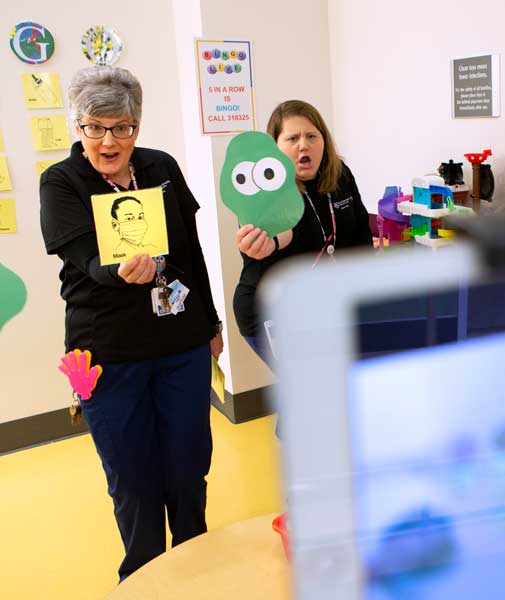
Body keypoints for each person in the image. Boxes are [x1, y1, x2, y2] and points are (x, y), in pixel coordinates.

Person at [39, 66, 223, 581]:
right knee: (133, 481)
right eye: (95, 127)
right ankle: (145, 579)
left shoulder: (160, 166)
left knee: (188, 467)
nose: (109, 139)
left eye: (121, 126)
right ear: (78, 127)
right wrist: (119, 271)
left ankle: (197, 567)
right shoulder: (61, 181)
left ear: (137, 127)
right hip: (107, 356)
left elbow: (190, 252)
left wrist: (211, 323)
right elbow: (85, 260)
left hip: (181, 345)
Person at [232, 100, 373, 362]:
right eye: (292, 138)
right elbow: (284, 233)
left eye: (311, 136)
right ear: (274, 148)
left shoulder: (340, 175)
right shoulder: (262, 192)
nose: (303, 145)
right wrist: (270, 243)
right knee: (315, 385)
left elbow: (360, 235)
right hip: (271, 312)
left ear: (323, 140)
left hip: (326, 304)